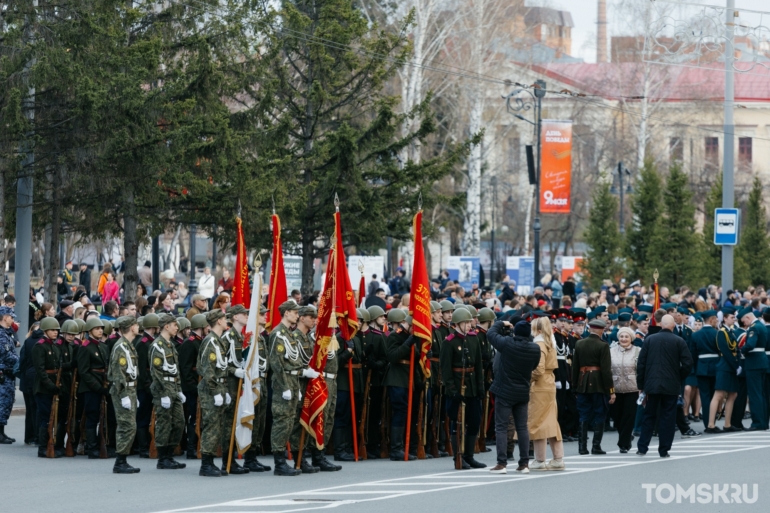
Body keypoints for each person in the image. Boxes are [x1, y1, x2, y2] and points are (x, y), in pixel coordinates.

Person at [487, 319, 542, 474]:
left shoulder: (507, 344)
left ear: (515, 332)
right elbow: (535, 366)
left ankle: (502, 463)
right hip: (522, 391)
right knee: (522, 427)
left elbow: (490, 334)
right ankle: (524, 463)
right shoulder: (535, 348)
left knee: (501, 427)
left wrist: (501, 323)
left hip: (504, 390)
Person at [636, 315, 693, 457]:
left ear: (661, 325)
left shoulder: (649, 340)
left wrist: (641, 384)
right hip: (671, 385)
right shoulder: (679, 341)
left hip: (652, 385)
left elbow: (641, 364)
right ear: (673, 325)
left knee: (649, 415)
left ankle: (642, 447)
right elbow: (688, 363)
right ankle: (664, 449)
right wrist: (679, 377)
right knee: (668, 417)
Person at [441, 307, 485, 470]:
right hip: (457, 387)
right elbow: (445, 370)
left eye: (469, 322)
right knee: (457, 422)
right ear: (457, 324)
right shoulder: (449, 342)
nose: (469, 325)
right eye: (465, 323)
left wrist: (480, 388)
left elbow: (478, 365)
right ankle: (458, 456)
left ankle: (469, 456)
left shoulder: (473, 339)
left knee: (474, 420)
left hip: (472, 386)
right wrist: (453, 391)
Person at [268, 301, 303, 476]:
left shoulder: (289, 334)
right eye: (295, 313)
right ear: (287, 313)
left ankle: (283, 460)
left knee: (289, 421)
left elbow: (293, 360)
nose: (297, 316)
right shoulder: (277, 334)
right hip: (284, 382)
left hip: (293, 379)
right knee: (282, 422)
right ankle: (279, 462)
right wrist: (284, 387)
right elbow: (276, 363)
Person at [572, 317, 614, 455]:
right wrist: (611, 390)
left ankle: (582, 447)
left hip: (582, 383)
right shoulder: (603, 345)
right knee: (599, 414)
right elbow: (606, 370)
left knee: (583, 415)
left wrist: (575, 386)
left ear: (590, 329)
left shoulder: (579, 343)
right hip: (598, 385)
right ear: (601, 330)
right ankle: (596, 446)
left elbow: (575, 367)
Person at [149, 313, 186, 470]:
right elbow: (156, 372)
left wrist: (179, 389)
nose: (177, 327)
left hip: (174, 388)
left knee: (179, 422)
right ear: (166, 326)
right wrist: (163, 394)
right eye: (174, 324)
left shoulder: (170, 345)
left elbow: (175, 370)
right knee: (164, 423)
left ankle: (170, 454)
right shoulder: (157, 346)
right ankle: (163, 457)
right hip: (163, 389)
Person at [527, 317, 565, 471]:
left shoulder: (539, 343)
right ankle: (557, 458)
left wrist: (527, 379)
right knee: (551, 422)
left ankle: (540, 459)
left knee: (538, 423)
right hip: (549, 383)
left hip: (540, 385)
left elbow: (538, 368)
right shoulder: (550, 342)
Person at [197, 309, 231, 477]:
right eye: (224, 318)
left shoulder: (218, 341)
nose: (226, 321)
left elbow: (221, 368)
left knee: (217, 426)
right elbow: (207, 370)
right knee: (211, 426)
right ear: (218, 321)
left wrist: (224, 390)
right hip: (211, 391)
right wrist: (215, 391)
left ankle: (211, 462)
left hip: (219, 388)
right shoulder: (211, 341)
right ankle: (206, 464)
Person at [108, 316, 141, 474]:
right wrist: (124, 395)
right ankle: (120, 461)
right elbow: (118, 373)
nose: (138, 326)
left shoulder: (128, 345)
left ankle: (123, 459)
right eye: (135, 324)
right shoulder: (121, 347)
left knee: (130, 425)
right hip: (123, 391)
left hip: (130, 390)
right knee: (126, 426)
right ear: (130, 327)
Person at [219, 305, 250, 475]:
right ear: (235, 317)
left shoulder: (241, 337)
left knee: (237, 422)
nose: (246, 316)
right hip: (230, 385)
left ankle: (233, 458)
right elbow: (221, 364)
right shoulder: (227, 337)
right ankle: (227, 460)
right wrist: (234, 370)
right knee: (229, 423)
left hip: (240, 384)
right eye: (243, 314)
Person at [243, 304, 272, 473]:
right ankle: (248, 457)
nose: (265, 316)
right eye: (261, 314)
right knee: (251, 420)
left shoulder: (260, 337)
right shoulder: (249, 336)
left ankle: (253, 456)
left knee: (260, 421)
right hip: (252, 383)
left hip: (262, 381)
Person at [76, 316, 111, 459]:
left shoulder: (103, 346)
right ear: (90, 331)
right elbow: (83, 371)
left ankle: (101, 443)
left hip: (103, 384)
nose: (100, 330)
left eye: (101, 328)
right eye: (97, 328)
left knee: (103, 417)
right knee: (92, 416)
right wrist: (98, 387)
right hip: (91, 387)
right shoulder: (85, 347)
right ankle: (91, 447)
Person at [707, 316, 741, 433]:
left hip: (731, 366)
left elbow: (736, 349)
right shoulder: (722, 332)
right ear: (725, 319)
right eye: (732, 317)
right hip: (725, 367)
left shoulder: (730, 331)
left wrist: (738, 364)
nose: (734, 319)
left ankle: (727, 424)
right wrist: (735, 365)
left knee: (733, 394)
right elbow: (725, 351)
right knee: (719, 394)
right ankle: (711, 425)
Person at [737, 306, 769, 431]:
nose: (744, 323)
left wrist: (741, 351)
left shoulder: (754, 328)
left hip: (754, 363)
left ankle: (757, 423)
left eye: (744, 320)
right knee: (761, 394)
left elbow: (750, 344)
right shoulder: (761, 326)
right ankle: (763, 421)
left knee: (755, 394)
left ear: (748, 317)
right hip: (762, 361)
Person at [179, 313, 206, 460]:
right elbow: (186, 369)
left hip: (198, 386)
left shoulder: (199, 341)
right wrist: (193, 387)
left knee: (198, 417)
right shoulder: (190, 343)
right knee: (192, 418)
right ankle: (191, 449)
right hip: (192, 388)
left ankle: (196, 446)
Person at [610, 327, 640, 453]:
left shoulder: (638, 351)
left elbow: (641, 370)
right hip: (615, 388)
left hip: (632, 388)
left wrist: (641, 387)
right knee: (617, 417)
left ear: (631, 338)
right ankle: (627, 437)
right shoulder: (611, 351)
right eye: (621, 336)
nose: (623, 339)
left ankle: (623, 444)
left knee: (628, 417)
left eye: (626, 336)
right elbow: (608, 370)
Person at [691, 310, 720, 429]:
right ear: (712, 319)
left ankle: (707, 423)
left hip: (702, 367)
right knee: (714, 396)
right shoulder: (717, 333)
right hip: (716, 367)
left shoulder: (695, 335)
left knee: (705, 396)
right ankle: (712, 423)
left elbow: (692, 355)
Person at [19, 322, 43, 445]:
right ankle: (37, 436)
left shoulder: (27, 342)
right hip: (34, 378)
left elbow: (21, 361)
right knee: (37, 408)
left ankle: (29, 437)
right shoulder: (42, 342)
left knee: (30, 409)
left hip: (26, 378)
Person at [0, 306, 20, 443]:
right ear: (4, 317)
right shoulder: (1, 335)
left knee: (6, 404)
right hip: (3, 374)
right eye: (11, 317)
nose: (12, 319)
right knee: (2, 404)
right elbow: (6, 355)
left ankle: (2, 432)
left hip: (8, 374)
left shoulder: (7, 333)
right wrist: (21, 362)